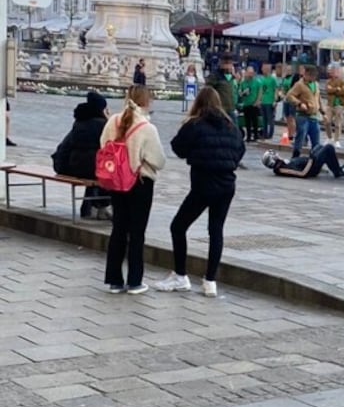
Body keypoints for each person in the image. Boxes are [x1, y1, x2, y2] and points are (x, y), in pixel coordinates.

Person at [155, 87, 245, 298]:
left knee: (178, 226)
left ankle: (180, 275)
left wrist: (195, 153)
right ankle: (210, 281)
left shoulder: (195, 124)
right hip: (227, 184)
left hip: (203, 183)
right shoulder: (231, 126)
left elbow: (178, 147)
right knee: (216, 230)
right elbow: (240, 151)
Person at [100, 84, 166, 294]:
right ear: (146, 102)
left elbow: (103, 145)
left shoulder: (113, 121)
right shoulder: (147, 128)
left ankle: (114, 280)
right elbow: (158, 160)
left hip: (116, 182)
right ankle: (135, 280)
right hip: (140, 182)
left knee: (118, 228)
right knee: (137, 232)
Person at [51, 91, 112, 219]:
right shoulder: (104, 125)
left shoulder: (79, 123)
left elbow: (65, 146)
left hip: (76, 166)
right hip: (92, 169)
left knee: (93, 168)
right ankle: (102, 205)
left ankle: (89, 207)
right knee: (109, 172)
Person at [286, 65, 323, 158]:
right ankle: (295, 157)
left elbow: (318, 99)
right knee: (300, 138)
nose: (313, 78)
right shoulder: (299, 84)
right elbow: (289, 96)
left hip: (314, 116)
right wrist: (299, 103)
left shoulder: (316, 84)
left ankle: (315, 159)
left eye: (314, 76)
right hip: (303, 116)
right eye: (311, 76)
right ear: (306, 74)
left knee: (316, 140)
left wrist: (323, 111)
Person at [262, 145, 344, 179]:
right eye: (275, 155)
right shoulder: (281, 169)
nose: (277, 155)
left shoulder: (281, 163)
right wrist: (311, 159)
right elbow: (302, 174)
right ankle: (337, 171)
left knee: (319, 147)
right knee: (328, 148)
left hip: (309, 162)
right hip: (312, 168)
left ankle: (336, 168)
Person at [325, 64, 344, 148]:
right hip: (330, 104)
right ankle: (329, 137)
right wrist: (336, 89)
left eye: (334, 71)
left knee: (338, 124)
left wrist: (333, 90)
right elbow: (328, 90)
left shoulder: (343, 81)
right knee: (327, 121)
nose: (332, 72)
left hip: (339, 104)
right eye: (331, 71)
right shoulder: (328, 81)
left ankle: (337, 140)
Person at [239, 66, 261, 142]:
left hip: (254, 104)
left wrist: (257, 101)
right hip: (246, 104)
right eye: (249, 73)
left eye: (252, 73)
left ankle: (255, 136)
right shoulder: (243, 83)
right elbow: (240, 93)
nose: (250, 74)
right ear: (246, 73)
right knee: (247, 121)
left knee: (255, 121)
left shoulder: (257, 82)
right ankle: (248, 136)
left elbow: (259, 92)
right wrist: (243, 93)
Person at [259, 62, 278, 140]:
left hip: (269, 101)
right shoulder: (261, 78)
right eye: (263, 68)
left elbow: (276, 90)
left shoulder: (272, 79)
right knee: (264, 119)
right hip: (262, 101)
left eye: (265, 69)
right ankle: (264, 134)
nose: (263, 70)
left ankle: (270, 134)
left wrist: (275, 100)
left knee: (270, 119)